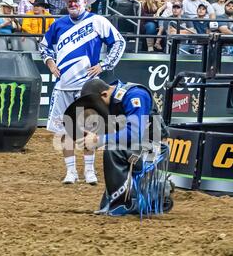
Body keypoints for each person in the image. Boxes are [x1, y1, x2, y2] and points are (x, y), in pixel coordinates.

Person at [39, 0, 126, 185]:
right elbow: (43, 46)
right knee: (64, 131)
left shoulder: (98, 21)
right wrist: (50, 63)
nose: (73, 2)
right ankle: (71, 171)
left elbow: (119, 42)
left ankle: (89, 170)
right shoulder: (58, 24)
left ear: (86, 1)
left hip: (87, 88)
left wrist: (104, 65)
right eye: (70, 0)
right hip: (63, 87)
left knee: (90, 129)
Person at [64, 78, 173, 216]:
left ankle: (128, 202)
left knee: (113, 150)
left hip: (154, 149)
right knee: (113, 148)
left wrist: (98, 139)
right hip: (140, 147)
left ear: (104, 94)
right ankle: (137, 196)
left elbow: (134, 134)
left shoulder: (135, 95)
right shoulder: (115, 100)